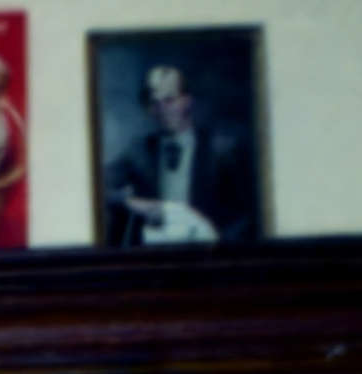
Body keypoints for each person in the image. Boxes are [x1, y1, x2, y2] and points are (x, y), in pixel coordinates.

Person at [101, 60, 259, 244]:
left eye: (169, 100)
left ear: (186, 101)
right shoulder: (139, 151)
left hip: (207, 251)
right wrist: (130, 202)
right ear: (149, 108)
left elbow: (246, 215)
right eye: (154, 102)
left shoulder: (221, 150)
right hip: (154, 252)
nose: (163, 110)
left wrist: (219, 247)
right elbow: (98, 185)